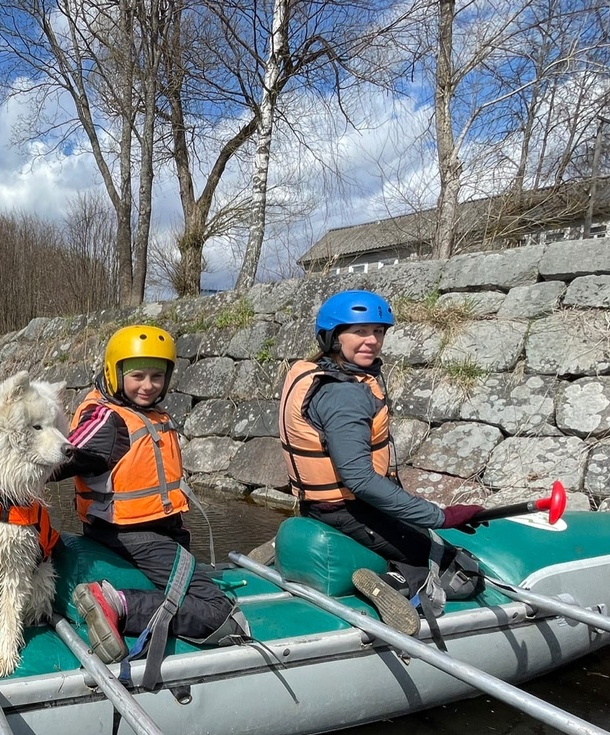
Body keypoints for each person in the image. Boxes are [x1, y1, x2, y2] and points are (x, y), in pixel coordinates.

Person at [277, 289, 486, 635]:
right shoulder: (342, 393)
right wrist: (440, 515)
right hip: (346, 508)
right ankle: (396, 583)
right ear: (333, 337)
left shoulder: (314, 371)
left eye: (378, 331)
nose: (371, 341)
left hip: (324, 505)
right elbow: (358, 479)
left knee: (419, 534)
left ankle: (367, 561)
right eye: (359, 332)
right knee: (460, 571)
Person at [54, 325, 248, 684]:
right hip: (132, 536)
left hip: (151, 533)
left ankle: (122, 599)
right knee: (221, 615)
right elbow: (59, 458)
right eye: (138, 375)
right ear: (115, 373)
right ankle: (117, 604)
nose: (148, 385)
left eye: (157, 376)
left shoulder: (139, 412)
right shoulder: (107, 419)